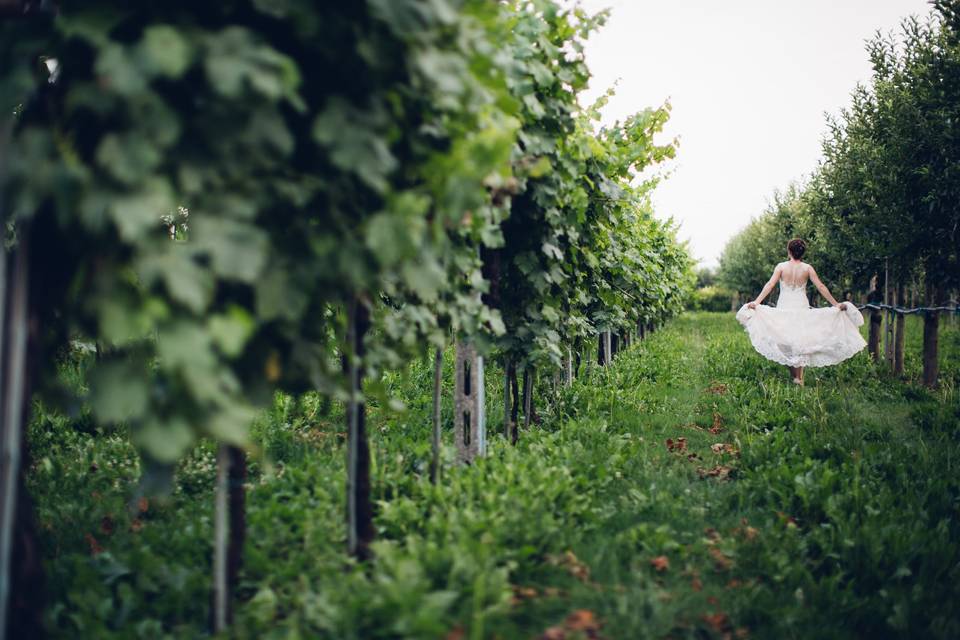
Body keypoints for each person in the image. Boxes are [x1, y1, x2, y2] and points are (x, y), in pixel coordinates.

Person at [735, 238, 867, 386]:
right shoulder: (807, 268)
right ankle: (798, 378)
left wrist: (757, 302)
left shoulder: (781, 267)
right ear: (802, 252)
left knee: (787, 340)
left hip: (785, 305)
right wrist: (835, 304)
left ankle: (797, 378)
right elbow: (821, 287)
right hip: (800, 305)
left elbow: (770, 284)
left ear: (789, 251)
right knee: (800, 339)